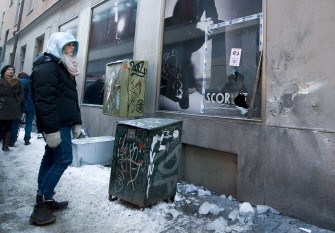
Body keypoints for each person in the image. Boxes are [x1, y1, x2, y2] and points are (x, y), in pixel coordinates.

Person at [29, 32, 82, 226]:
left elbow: (69, 98)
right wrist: (51, 130)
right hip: (56, 124)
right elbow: (44, 101)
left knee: (51, 157)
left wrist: (76, 121)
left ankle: (45, 198)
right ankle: (41, 206)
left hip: (62, 121)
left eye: (73, 45)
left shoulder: (61, 66)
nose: (72, 48)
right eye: (68, 45)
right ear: (58, 46)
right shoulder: (48, 67)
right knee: (63, 158)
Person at [0, 65, 24, 151]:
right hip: (2, 106)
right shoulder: (1, 80)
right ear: (4, 71)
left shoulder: (17, 81)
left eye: (12, 69)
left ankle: (5, 145)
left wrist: (19, 100)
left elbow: (21, 92)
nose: (11, 71)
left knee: (9, 126)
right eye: (8, 69)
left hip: (13, 107)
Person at [9, 72, 35, 146]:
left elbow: (17, 92)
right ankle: (27, 139)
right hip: (31, 106)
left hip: (21, 105)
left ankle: (12, 141)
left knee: (15, 122)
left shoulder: (21, 81)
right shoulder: (33, 82)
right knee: (29, 123)